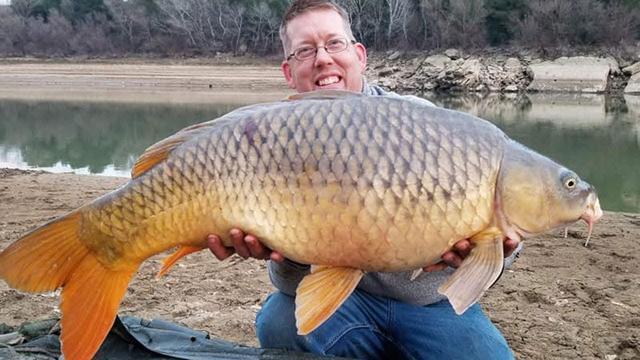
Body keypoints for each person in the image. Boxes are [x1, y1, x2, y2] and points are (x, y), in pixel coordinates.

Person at [208, 0, 520, 358]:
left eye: (334, 43)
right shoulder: (275, 139)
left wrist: (494, 249)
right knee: (279, 320)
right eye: (305, 50)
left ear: (360, 55)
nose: (322, 58)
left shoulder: (427, 125)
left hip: (431, 305)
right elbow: (293, 284)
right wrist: (282, 253)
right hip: (345, 306)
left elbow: (505, 237)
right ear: (289, 72)